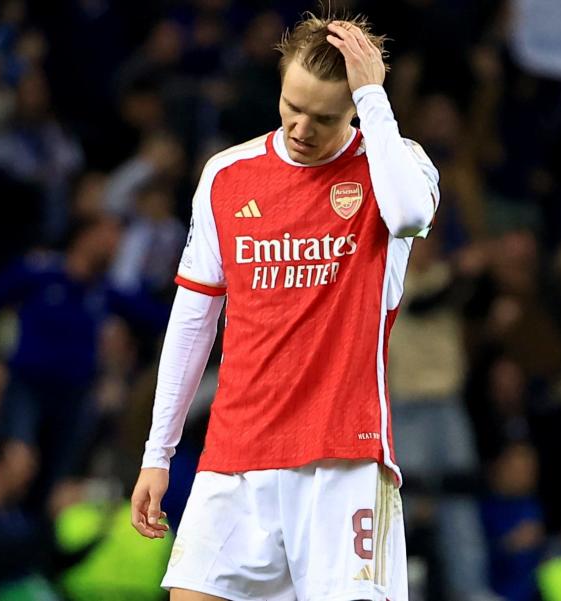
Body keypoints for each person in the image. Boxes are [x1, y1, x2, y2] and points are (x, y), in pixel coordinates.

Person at [129, 13, 439, 601]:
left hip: (344, 461)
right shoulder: (227, 176)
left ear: (355, 109)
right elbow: (192, 323)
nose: (300, 127)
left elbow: (410, 217)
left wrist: (373, 96)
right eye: (291, 105)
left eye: (323, 117)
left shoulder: (394, 167)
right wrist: (157, 453)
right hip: (234, 458)